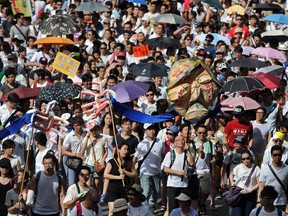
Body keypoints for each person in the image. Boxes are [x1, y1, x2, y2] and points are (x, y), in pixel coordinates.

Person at [133, 123, 165, 214]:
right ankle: (145, 210)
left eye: (153, 129)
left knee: (156, 191)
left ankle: (151, 205)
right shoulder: (142, 144)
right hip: (145, 171)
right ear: (145, 131)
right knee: (145, 192)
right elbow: (135, 158)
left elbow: (162, 155)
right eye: (149, 129)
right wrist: (133, 170)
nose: (152, 131)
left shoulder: (160, 142)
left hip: (157, 171)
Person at [162, 135, 194, 213]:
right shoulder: (170, 154)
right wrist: (178, 172)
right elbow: (165, 169)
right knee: (173, 207)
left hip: (184, 185)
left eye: (182, 140)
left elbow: (191, 163)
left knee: (185, 207)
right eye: (179, 140)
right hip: (173, 185)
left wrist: (188, 150)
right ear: (175, 142)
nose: (181, 141)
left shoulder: (186, 154)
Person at [104, 143, 136, 216]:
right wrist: (118, 177)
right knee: (112, 212)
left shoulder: (129, 162)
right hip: (113, 189)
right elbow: (105, 174)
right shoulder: (112, 161)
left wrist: (125, 172)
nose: (126, 151)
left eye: (127, 149)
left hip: (124, 190)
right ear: (118, 150)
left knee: (123, 212)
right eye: (124, 149)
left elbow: (134, 174)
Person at [258, 145, 288, 213]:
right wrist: (258, 201)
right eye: (275, 155)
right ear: (271, 156)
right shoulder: (265, 168)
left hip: (282, 203)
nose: (277, 157)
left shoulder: (287, 169)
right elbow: (261, 186)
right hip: (267, 202)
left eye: (279, 155)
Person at [229, 150, 261, 216]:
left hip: (250, 196)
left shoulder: (256, 168)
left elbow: (259, 183)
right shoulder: (238, 167)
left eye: (247, 158)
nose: (245, 160)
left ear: (251, 157)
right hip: (238, 194)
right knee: (237, 213)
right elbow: (231, 174)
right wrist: (232, 183)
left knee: (248, 214)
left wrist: (250, 190)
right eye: (243, 159)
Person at [80, 124, 108, 189]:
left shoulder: (103, 138)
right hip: (88, 163)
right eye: (92, 130)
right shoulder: (87, 138)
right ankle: (87, 198)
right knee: (87, 184)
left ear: (99, 130)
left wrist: (102, 161)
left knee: (97, 184)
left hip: (98, 164)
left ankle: (95, 197)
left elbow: (106, 151)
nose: (94, 132)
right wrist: (87, 137)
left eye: (95, 130)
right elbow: (82, 150)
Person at [62, 116, 86, 185]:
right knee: (72, 182)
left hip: (84, 161)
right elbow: (64, 151)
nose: (79, 127)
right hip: (73, 161)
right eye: (76, 125)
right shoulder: (69, 136)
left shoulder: (86, 133)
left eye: (80, 125)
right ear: (73, 126)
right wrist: (75, 154)